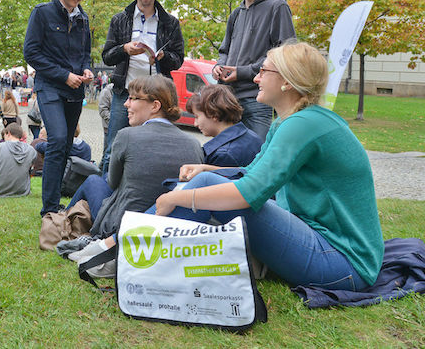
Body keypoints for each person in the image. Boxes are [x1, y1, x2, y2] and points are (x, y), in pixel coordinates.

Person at [84, 42, 385, 289]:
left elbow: (249, 192)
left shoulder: (303, 125)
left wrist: (178, 196)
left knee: (198, 190)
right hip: (323, 243)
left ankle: (119, 250)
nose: (255, 78)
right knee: (203, 182)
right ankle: (120, 247)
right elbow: (252, 171)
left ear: (287, 81)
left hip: (344, 264)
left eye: (263, 71)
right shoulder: (292, 121)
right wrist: (208, 170)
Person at [66, 76, 202, 232]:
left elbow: (112, 183)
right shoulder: (194, 144)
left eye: (132, 98)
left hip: (124, 226)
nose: (126, 103)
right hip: (171, 229)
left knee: (93, 180)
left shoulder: (127, 136)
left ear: (155, 106)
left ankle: (60, 223)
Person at [23, 0, 94, 216]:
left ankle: (54, 202)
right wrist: (64, 76)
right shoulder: (41, 13)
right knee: (57, 140)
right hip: (50, 88)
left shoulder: (83, 18)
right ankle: (49, 209)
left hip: (75, 92)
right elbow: (31, 53)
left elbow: (86, 54)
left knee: (65, 145)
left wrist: (86, 70)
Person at [100, 0, 184, 175]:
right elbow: (107, 55)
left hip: (157, 96)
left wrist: (164, 57)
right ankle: (103, 195)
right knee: (114, 146)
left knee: (156, 147)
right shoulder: (120, 19)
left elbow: (178, 59)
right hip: (125, 92)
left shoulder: (170, 22)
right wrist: (124, 49)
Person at [213, 0, 296, 140]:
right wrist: (218, 66)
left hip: (258, 98)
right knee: (230, 156)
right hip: (228, 99)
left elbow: (285, 53)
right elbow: (224, 50)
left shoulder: (277, 6)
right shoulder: (236, 13)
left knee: (258, 155)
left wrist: (242, 72)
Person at [186, 84, 263, 168]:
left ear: (213, 114)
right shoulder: (253, 137)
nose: (195, 124)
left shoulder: (223, 155)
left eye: (197, 117)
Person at [98, 82, 113, 153]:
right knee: (107, 152)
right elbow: (103, 110)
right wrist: (115, 120)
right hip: (108, 127)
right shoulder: (106, 92)